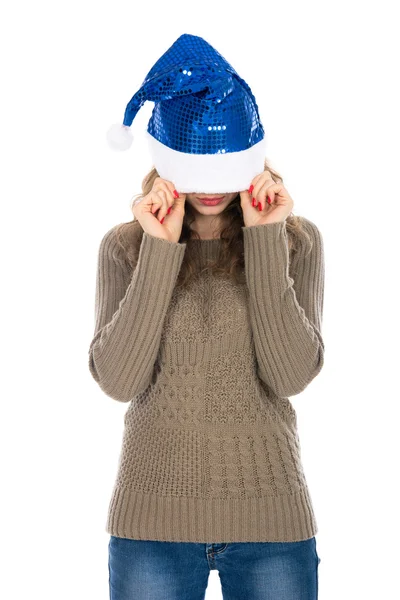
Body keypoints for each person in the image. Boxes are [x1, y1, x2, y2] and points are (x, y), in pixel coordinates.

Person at [89, 33, 324, 600]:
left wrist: (266, 241)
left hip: (272, 524)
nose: (208, 186)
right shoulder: (125, 246)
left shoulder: (295, 241)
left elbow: (292, 374)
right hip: (152, 526)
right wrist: (159, 251)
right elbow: (118, 381)